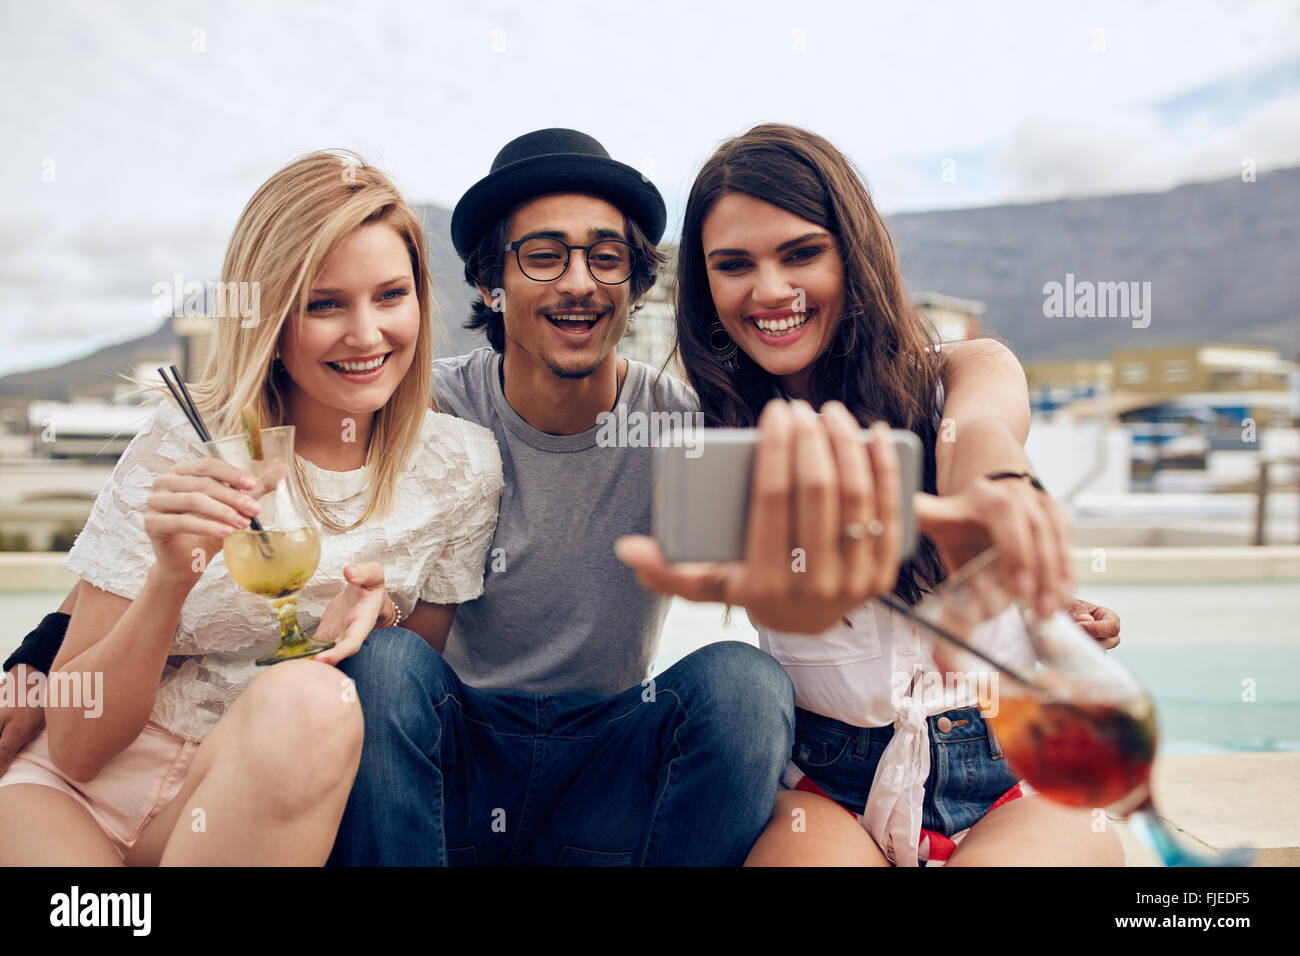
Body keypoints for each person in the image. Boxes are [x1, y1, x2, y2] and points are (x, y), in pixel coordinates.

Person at [626, 123, 1124, 866]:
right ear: (704, 286)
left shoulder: (966, 368)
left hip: (1015, 766)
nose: (770, 291)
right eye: (735, 265)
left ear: (852, 254)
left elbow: (979, 436)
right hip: (825, 783)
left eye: (801, 253)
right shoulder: (715, 435)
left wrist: (998, 499)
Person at [0, 152, 503, 865]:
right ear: (269, 315)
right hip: (77, 794)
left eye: (391, 295)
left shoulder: (461, 469)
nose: (366, 334)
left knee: (315, 703)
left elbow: (399, 704)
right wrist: (169, 580)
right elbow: (78, 748)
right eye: (324, 303)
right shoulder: (184, 442)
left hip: (247, 794)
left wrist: (383, 608)